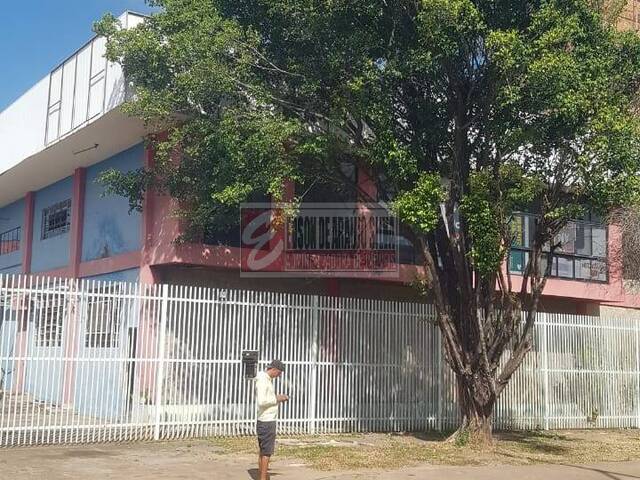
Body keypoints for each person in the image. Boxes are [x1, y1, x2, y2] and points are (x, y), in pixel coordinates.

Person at [255, 360, 288, 480]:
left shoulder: (265, 379)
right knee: (266, 452)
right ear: (273, 369)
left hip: (265, 419)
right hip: (267, 421)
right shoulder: (263, 380)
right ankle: (263, 478)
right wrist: (277, 398)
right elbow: (262, 401)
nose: (278, 376)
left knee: (263, 450)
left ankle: (262, 476)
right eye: (278, 373)